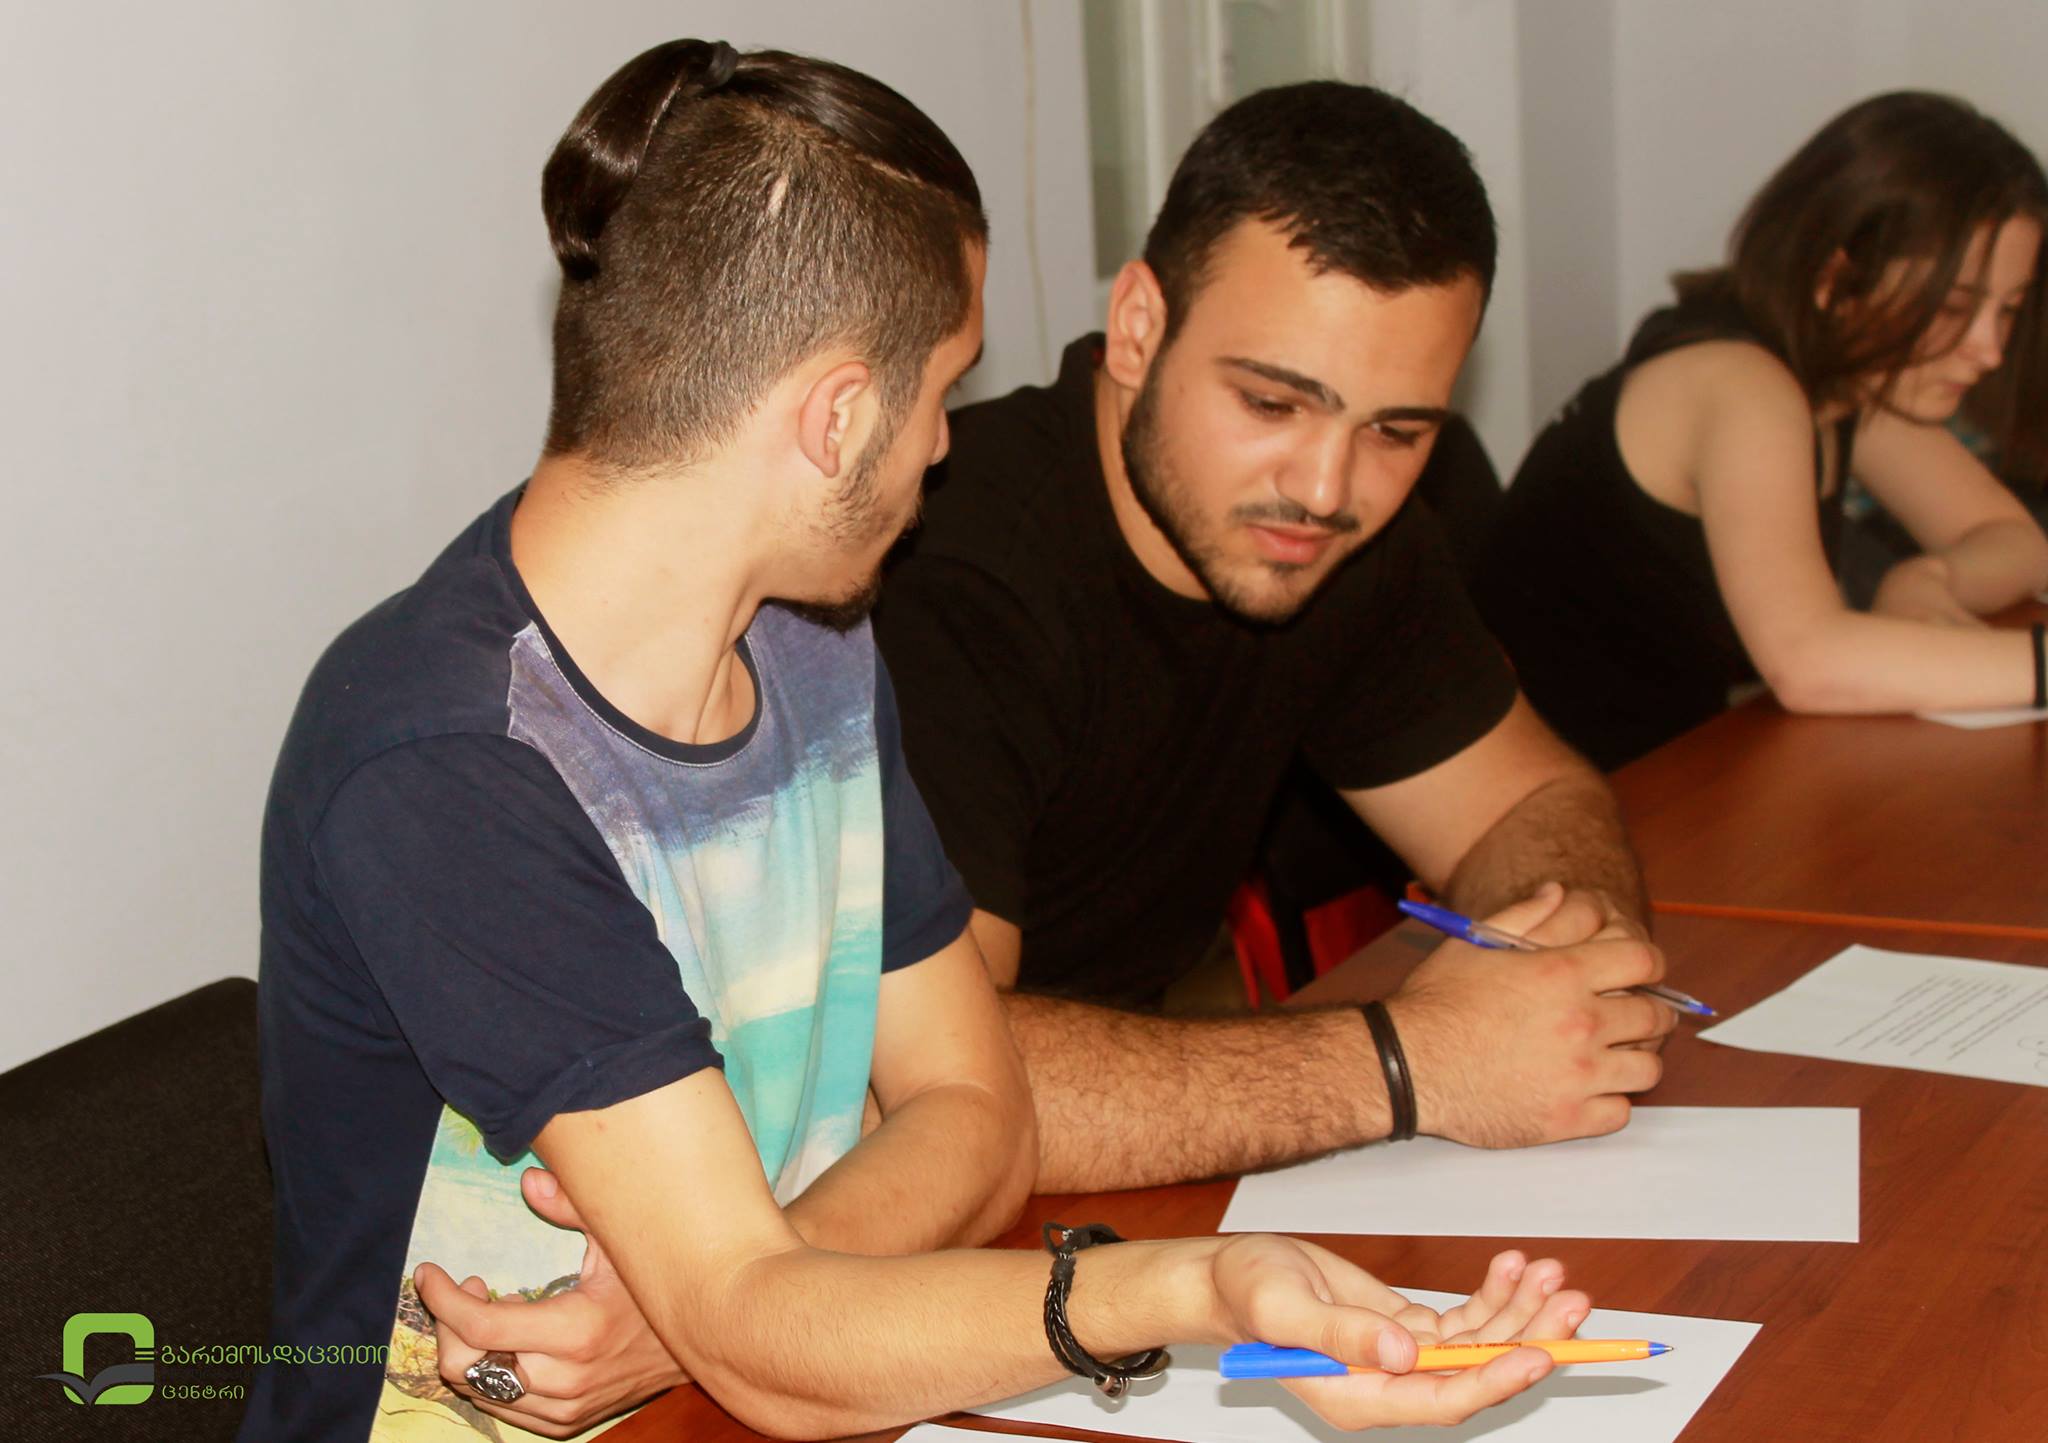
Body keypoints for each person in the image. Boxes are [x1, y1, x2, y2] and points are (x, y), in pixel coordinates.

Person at [248, 40, 1585, 1443]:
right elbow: (762, 1339)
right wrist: (1196, 1287)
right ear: (837, 418)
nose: (945, 445)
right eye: (943, 388)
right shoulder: (453, 759)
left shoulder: (810, 647)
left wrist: (734, 1297)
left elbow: (978, 1112)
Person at [869, 80, 1676, 1197]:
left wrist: (1564, 967)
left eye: (1396, 430)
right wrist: (1413, 1062)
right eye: (1270, 404)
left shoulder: (1340, 537)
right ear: (1139, 328)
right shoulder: (949, 580)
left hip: (1135, 1188)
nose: (1326, 487)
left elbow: (1525, 803)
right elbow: (929, 1097)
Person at [1471, 91, 2048, 773]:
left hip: (1677, 774)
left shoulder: (1844, 376)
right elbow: (1811, 662)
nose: (1989, 350)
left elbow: (2016, 542)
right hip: (1552, 801)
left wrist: (1929, 576)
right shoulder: (1738, 385)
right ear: (1838, 279)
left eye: (2008, 310)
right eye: (1953, 309)